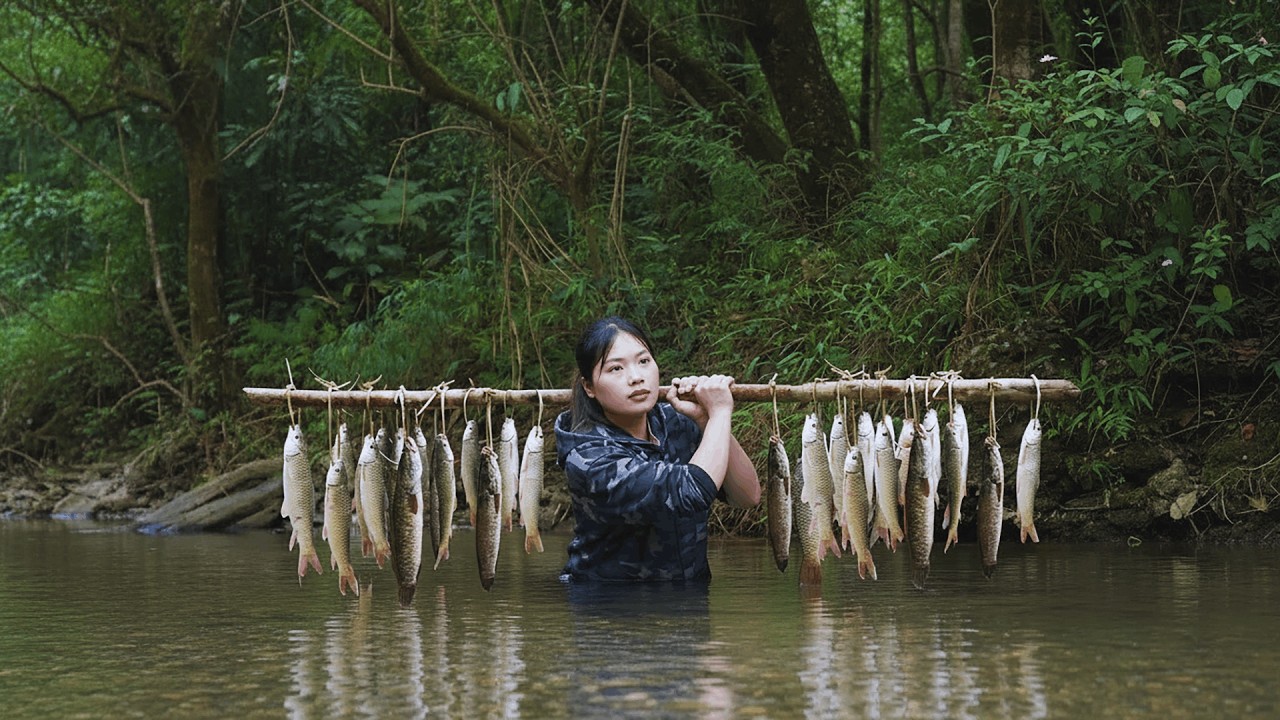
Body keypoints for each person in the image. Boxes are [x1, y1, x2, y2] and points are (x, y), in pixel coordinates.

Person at [554, 316, 760, 582]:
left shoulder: (673, 422)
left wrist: (705, 420)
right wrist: (720, 412)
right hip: (608, 608)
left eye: (644, 361)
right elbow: (691, 491)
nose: (636, 378)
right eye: (616, 369)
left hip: (687, 606)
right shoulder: (590, 458)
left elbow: (747, 496)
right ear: (589, 387)